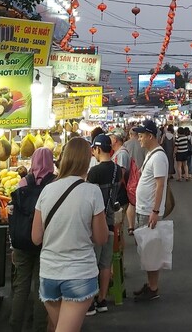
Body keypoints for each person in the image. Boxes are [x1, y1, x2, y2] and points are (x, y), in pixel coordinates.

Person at [32, 137, 108, 332]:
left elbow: (36, 237)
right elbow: (101, 238)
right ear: (86, 161)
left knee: (59, 326)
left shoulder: (47, 190)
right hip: (79, 274)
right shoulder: (92, 192)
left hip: (49, 273)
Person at [9, 147, 55, 332]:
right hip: (45, 241)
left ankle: (15, 326)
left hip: (22, 241)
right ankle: (39, 326)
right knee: (40, 286)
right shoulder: (54, 183)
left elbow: (13, 213)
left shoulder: (22, 183)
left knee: (21, 286)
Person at [132, 119, 169, 302]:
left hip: (149, 211)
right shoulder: (150, 154)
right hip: (144, 209)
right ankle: (150, 284)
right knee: (146, 250)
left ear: (150, 136)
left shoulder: (159, 157)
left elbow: (160, 185)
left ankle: (153, 288)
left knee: (151, 250)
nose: (139, 139)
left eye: (141, 135)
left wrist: (155, 210)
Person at [86, 134, 123, 315]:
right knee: (105, 263)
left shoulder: (94, 173)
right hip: (110, 222)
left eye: (93, 149)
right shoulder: (118, 170)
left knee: (92, 262)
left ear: (98, 149)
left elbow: (88, 199)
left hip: (95, 224)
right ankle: (102, 300)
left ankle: (91, 301)